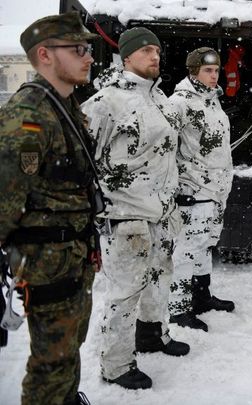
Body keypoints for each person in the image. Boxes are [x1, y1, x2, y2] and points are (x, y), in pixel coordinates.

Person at [0, 12, 99, 405]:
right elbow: (4, 196)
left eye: (88, 48)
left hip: (72, 255)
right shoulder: (29, 116)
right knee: (51, 362)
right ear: (44, 55)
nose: (88, 57)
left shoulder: (65, 106)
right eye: (78, 49)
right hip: (47, 260)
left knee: (69, 347)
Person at [81, 27, 189, 390]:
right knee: (124, 292)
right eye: (145, 51)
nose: (154, 56)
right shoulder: (106, 102)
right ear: (126, 57)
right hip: (126, 216)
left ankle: (151, 334)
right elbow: (81, 159)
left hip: (161, 213)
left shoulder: (161, 101)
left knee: (160, 277)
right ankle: (115, 365)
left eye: (157, 50)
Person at [168, 47, 235, 332]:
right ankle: (178, 308)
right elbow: (165, 148)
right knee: (186, 249)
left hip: (216, 189)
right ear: (193, 71)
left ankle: (201, 296)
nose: (213, 75)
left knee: (206, 245)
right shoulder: (179, 103)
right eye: (207, 70)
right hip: (193, 190)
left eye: (216, 70)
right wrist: (176, 186)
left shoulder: (212, 100)